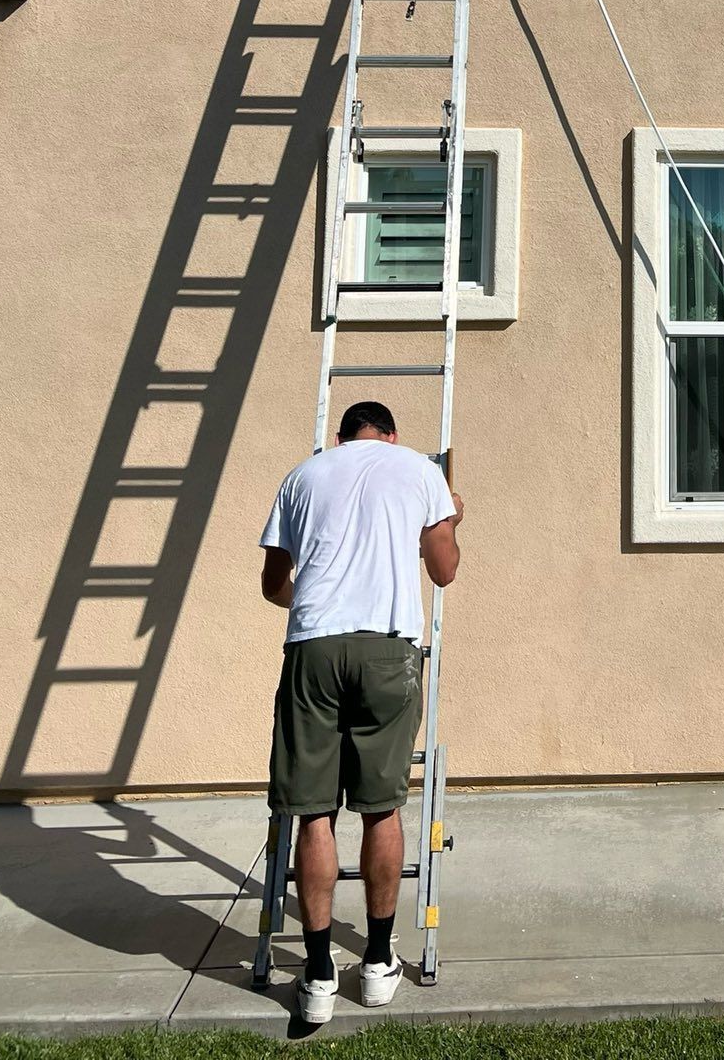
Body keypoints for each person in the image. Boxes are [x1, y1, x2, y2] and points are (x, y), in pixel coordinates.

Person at [259, 398, 462, 1024]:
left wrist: (316, 600)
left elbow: (273, 584)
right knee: (382, 807)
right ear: (391, 435)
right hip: (387, 649)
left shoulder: (302, 475)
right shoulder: (421, 472)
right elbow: (445, 571)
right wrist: (454, 520)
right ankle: (377, 963)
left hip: (315, 646)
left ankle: (317, 975)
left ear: (340, 436)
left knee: (312, 813)